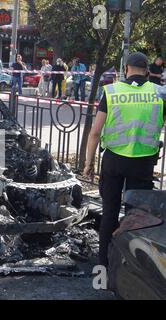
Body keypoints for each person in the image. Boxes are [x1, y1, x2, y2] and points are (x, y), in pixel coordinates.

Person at [83, 52, 166, 267]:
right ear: (147, 71)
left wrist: (88, 163)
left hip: (114, 161)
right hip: (144, 163)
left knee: (109, 211)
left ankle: (103, 263)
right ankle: (130, 265)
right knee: (136, 215)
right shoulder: (159, 93)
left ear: (126, 68)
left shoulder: (112, 92)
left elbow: (95, 133)